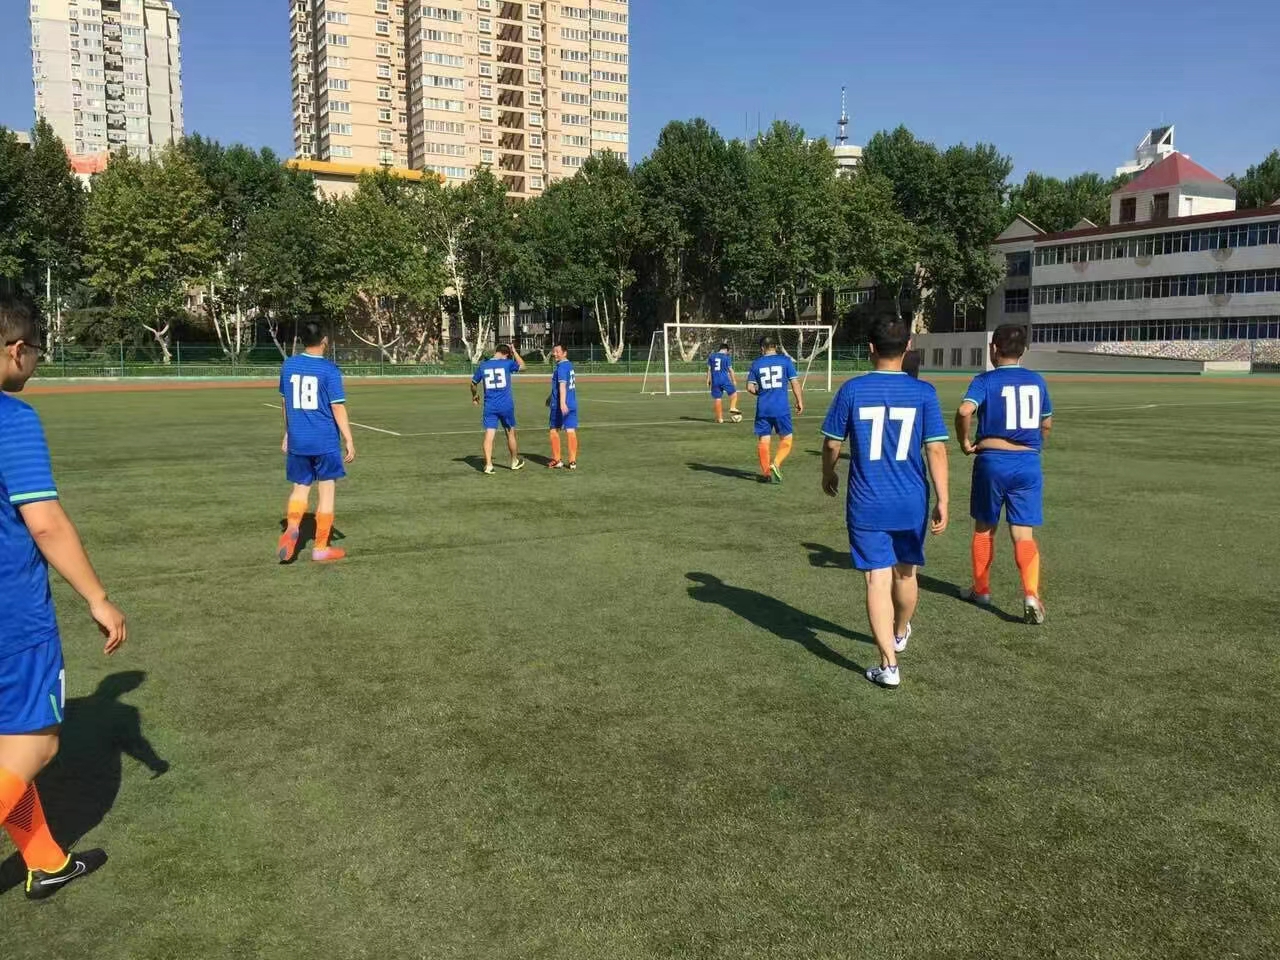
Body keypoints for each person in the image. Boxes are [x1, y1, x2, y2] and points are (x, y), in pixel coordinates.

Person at [0, 298, 127, 899]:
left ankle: (46, 860)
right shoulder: (12, 419)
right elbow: (45, 522)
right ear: (15, 351)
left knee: (8, 749)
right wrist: (98, 597)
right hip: (11, 617)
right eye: (35, 353)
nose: (35, 364)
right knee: (37, 742)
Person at [820, 316, 949, 689]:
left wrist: (828, 474)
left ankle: (888, 665)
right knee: (907, 573)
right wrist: (944, 498)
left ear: (870, 349)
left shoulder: (852, 389)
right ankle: (900, 630)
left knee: (877, 578)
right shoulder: (924, 393)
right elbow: (936, 449)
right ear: (908, 347)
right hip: (911, 500)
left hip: (867, 500)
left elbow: (832, 443)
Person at [954, 324, 1053, 624]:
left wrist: (964, 442)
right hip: (1027, 463)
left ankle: (981, 589)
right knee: (1023, 533)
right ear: (1023, 350)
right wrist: (1034, 448)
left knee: (985, 528)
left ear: (993, 349)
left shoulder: (985, 380)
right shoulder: (1037, 381)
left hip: (992, 461)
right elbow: (1046, 423)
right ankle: (1031, 594)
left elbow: (964, 411)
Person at [277, 321, 356, 563]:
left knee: (300, 487)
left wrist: (288, 432)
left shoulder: (288, 365)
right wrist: (349, 438)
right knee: (327, 490)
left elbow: (285, 403)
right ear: (324, 340)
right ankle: (321, 547)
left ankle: (292, 527)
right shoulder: (329, 370)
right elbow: (337, 407)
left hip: (299, 438)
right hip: (324, 440)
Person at [747, 336, 804, 483]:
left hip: (763, 408)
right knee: (787, 438)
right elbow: (795, 383)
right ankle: (776, 463)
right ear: (776, 347)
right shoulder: (785, 361)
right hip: (781, 408)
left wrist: (761, 393)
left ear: (762, 348)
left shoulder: (756, 363)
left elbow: (750, 387)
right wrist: (799, 401)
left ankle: (766, 474)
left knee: (764, 440)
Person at [470, 343, 526, 475]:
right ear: (506, 354)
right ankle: (514, 461)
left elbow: (473, 384)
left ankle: (489, 465)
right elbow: (523, 366)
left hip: (490, 406)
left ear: (496, 351)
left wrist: (475, 396)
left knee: (489, 435)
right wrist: (514, 351)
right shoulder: (507, 363)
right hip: (506, 405)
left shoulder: (483, 365)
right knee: (510, 433)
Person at [547, 343, 579, 470]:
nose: (554, 354)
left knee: (553, 430)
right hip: (572, 403)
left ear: (564, 353)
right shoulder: (569, 365)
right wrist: (550, 397)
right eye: (554, 351)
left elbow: (562, 386)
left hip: (560, 405)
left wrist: (561, 403)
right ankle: (572, 462)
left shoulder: (561, 368)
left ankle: (557, 460)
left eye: (557, 351)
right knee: (570, 430)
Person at [706, 342, 741, 424]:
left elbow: (709, 370)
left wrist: (708, 380)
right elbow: (730, 370)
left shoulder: (711, 356)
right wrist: (734, 380)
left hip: (715, 380)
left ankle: (720, 419)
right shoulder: (726, 357)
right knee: (734, 394)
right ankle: (732, 407)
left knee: (718, 398)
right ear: (725, 349)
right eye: (727, 351)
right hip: (724, 379)